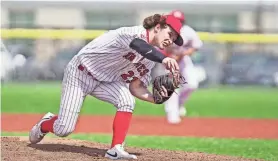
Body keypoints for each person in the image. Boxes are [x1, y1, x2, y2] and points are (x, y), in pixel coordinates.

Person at [29, 14, 183, 160]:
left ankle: (116, 149)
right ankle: (45, 124)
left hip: (105, 82)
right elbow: (139, 45)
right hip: (79, 73)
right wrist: (164, 59)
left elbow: (136, 87)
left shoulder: (150, 60)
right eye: (169, 34)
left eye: (174, 39)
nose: (171, 40)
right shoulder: (132, 33)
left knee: (127, 100)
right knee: (64, 129)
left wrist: (155, 99)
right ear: (157, 27)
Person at [163, 10, 203, 124]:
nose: (178, 23)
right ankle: (172, 114)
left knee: (191, 85)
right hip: (168, 60)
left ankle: (179, 103)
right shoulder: (164, 31)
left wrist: (182, 54)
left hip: (183, 60)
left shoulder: (188, 31)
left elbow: (196, 46)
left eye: (180, 21)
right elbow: (159, 48)